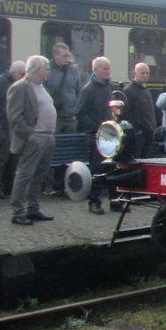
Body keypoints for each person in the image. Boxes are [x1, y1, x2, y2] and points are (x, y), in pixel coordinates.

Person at [6, 55, 57, 225]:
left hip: (47, 137)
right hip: (34, 138)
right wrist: (30, 135)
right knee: (25, 174)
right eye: (46, 68)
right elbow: (14, 117)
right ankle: (18, 211)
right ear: (37, 70)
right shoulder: (20, 87)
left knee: (39, 175)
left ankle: (33, 208)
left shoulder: (41, 87)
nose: (49, 71)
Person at [76, 56, 114, 214]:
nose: (107, 71)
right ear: (96, 70)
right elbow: (80, 112)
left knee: (113, 168)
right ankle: (94, 201)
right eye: (104, 68)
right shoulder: (88, 89)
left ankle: (115, 200)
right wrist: (95, 127)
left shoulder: (109, 88)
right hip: (95, 135)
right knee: (97, 169)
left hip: (110, 135)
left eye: (108, 68)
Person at [0, 60, 27, 199]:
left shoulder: (20, 83)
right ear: (13, 72)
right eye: (22, 73)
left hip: (15, 126)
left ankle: (14, 188)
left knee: (16, 158)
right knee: (1, 158)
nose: (24, 76)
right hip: (3, 126)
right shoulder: (0, 82)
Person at [122, 62, 156, 158]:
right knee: (137, 158)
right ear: (135, 73)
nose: (145, 75)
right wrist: (137, 130)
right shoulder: (128, 91)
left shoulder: (146, 91)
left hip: (149, 132)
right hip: (138, 134)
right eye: (142, 73)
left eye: (147, 73)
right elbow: (127, 113)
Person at [44, 42, 80, 133]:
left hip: (71, 117)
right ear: (55, 55)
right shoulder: (47, 71)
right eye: (64, 56)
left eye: (68, 56)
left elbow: (78, 91)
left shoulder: (73, 71)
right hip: (54, 117)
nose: (67, 58)